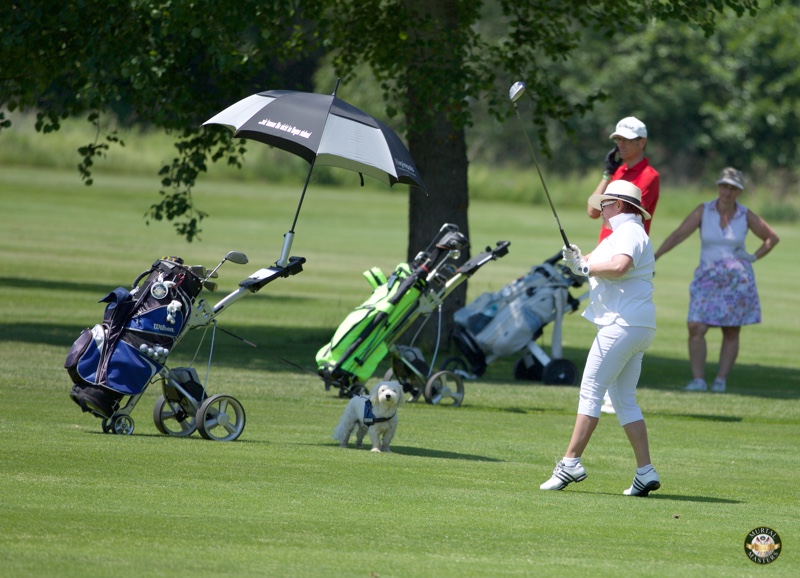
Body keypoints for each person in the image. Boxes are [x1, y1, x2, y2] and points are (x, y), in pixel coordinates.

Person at [540, 180, 660, 497]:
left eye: (604, 205)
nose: (601, 211)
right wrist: (576, 259)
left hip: (622, 324)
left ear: (618, 205)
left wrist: (586, 267)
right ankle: (645, 472)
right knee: (624, 399)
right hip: (635, 325)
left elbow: (619, 267)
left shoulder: (630, 231)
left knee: (591, 390)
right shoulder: (621, 234)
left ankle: (570, 463)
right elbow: (589, 264)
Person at [653, 167, 779, 393]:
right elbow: (679, 234)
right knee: (695, 325)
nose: (727, 192)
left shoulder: (745, 214)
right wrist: (655, 256)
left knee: (730, 330)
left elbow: (772, 238)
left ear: (739, 191)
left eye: (732, 188)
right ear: (718, 187)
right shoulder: (704, 210)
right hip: (707, 276)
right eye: (724, 186)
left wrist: (753, 257)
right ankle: (698, 380)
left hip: (736, 279)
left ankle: (720, 381)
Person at [588, 116, 661, 415]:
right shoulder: (618, 171)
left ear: (642, 142)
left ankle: (610, 394)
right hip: (605, 251)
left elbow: (628, 211)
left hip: (626, 253)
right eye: (618, 139)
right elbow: (593, 210)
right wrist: (607, 173)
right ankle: (611, 393)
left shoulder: (649, 176)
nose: (621, 145)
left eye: (628, 140)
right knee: (605, 317)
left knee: (619, 321)